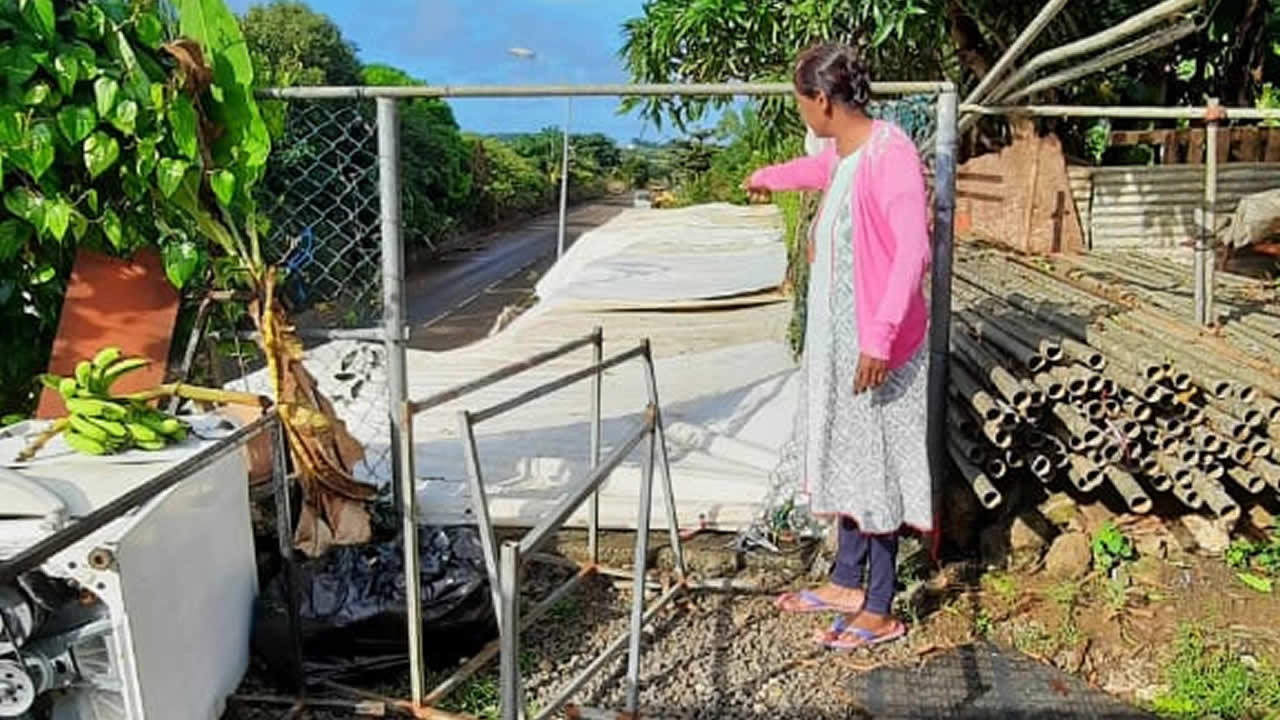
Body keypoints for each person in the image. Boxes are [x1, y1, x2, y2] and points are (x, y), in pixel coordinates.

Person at [742, 42, 933, 651]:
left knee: (875, 466)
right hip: (840, 343)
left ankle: (881, 605)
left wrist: (877, 339)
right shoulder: (847, 152)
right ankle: (847, 581)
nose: (801, 112)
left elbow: (912, 251)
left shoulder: (890, 153)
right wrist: (767, 178)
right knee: (847, 456)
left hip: (877, 347)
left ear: (822, 100)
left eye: (801, 102)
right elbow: (819, 172)